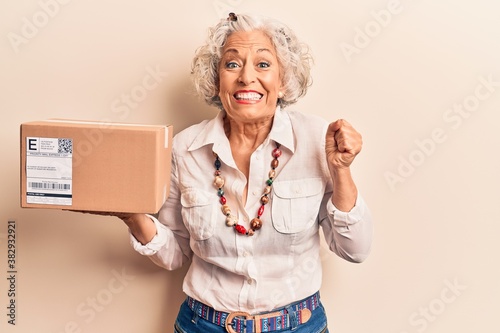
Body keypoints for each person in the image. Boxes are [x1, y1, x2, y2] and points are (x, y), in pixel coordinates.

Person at [117, 13, 373, 333]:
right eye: (232, 64)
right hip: (202, 325)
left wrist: (342, 171)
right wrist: (131, 216)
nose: (246, 77)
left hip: (298, 326)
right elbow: (174, 254)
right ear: (216, 79)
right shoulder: (184, 149)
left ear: (283, 81)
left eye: (263, 65)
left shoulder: (317, 139)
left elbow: (355, 249)